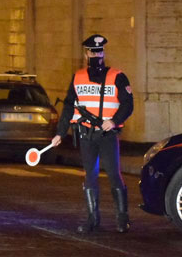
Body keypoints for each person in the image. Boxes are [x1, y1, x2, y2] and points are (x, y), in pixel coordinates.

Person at [50, 35, 134, 234]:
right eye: (92, 51)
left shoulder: (117, 76)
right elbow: (69, 107)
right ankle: (92, 219)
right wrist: (60, 133)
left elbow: (128, 104)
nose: (96, 54)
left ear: (104, 52)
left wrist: (113, 121)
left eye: (100, 51)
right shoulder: (78, 77)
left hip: (107, 135)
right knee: (90, 176)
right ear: (85, 53)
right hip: (86, 135)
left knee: (114, 174)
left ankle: (122, 218)